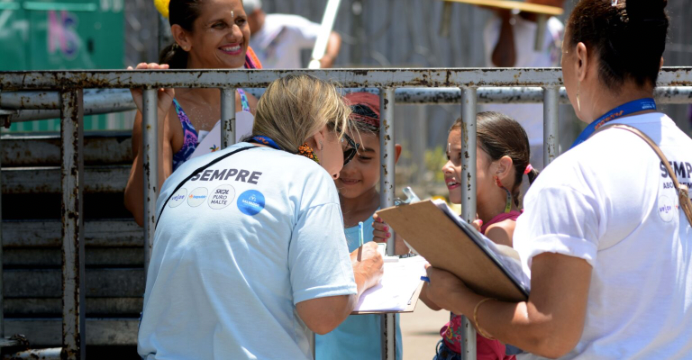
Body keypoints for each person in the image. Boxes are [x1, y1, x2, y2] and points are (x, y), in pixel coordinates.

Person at [425, 1, 692, 359]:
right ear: (657, 66)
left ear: (580, 60)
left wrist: (457, 297)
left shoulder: (574, 176)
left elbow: (549, 334)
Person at [136, 74, 384, 359]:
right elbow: (323, 315)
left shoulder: (186, 173)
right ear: (318, 138)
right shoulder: (309, 176)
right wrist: (363, 274)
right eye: (345, 148)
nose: (340, 170)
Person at [381, 112, 537, 360]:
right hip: (451, 351)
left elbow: (495, 325)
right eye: (448, 157)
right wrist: (404, 248)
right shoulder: (477, 223)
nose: (446, 167)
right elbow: (437, 300)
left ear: (502, 167)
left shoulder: (500, 231)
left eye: (460, 157)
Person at [124, 0, 262, 226]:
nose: (236, 34)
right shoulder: (165, 108)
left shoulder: (251, 106)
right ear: (183, 37)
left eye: (240, 21)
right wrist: (155, 117)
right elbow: (145, 212)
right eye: (219, 25)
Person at [315, 92, 404, 360]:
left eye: (364, 158)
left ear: (392, 155)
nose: (349, 169)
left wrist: (399, 247)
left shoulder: (396, 218)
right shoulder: (310, 213)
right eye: (343, 155)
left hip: (376, 352)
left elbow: (421, 290)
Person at [481, 0, 565, 171]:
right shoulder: (500, 25)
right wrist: (506, 16)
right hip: (503, 136)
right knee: (505, 196)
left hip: (542, 134)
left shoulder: (555, 27)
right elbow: (503, 64)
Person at [244, 0, 341, 68]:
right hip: (255, 94)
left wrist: (330, 57)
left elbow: (330, 36)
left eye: (242, 20)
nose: (239, 25)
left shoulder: (284, 26)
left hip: (289, 92)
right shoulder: (239, 37)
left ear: (255, 13)